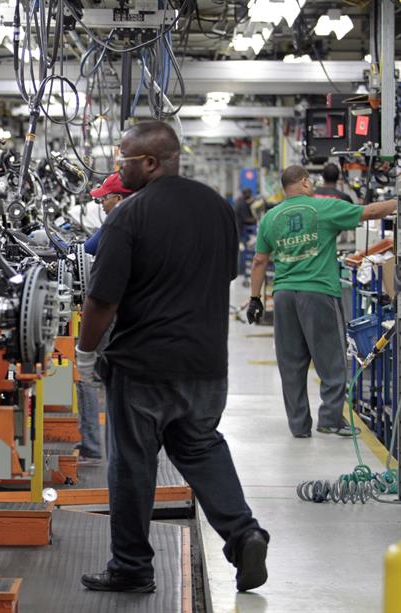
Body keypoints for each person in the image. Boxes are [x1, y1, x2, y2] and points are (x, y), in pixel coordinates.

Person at [75, 121, 268, 594]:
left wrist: (84, 353)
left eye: (124, 161)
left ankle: (132, 567)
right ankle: (244, 534)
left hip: (143, 368)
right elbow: (225, 275)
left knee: (132, 465)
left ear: (150, 163)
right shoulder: (218, 209)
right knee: (200, 447)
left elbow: (102, 300)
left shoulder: (129, 216)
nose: (119, 170)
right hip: (206, 363)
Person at [247, 166, 396, 438]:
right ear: (304, 182)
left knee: (291, 364)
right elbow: (371, 212)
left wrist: (255, 299)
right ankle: (329, 418)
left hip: (283, 296)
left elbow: (259, 261)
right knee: (331, 360)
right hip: (318, 292)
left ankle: (299, 426)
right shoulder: (323, 208)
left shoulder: (270, 217)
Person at [75, 173, 134, 466]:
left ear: (119, 199)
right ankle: (119, 447)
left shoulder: (117, 221)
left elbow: (83, 252)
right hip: (139, 316)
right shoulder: (147, 217)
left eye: (105, 199)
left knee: (88, 374)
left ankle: (92, 447)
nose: (102, 204)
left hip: (113, 310)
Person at [83, 173, 133, 256]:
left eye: (104, 197)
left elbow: (86, 250)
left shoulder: (117, 223)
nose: (101, 202)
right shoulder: (140, 218)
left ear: (118, 199)